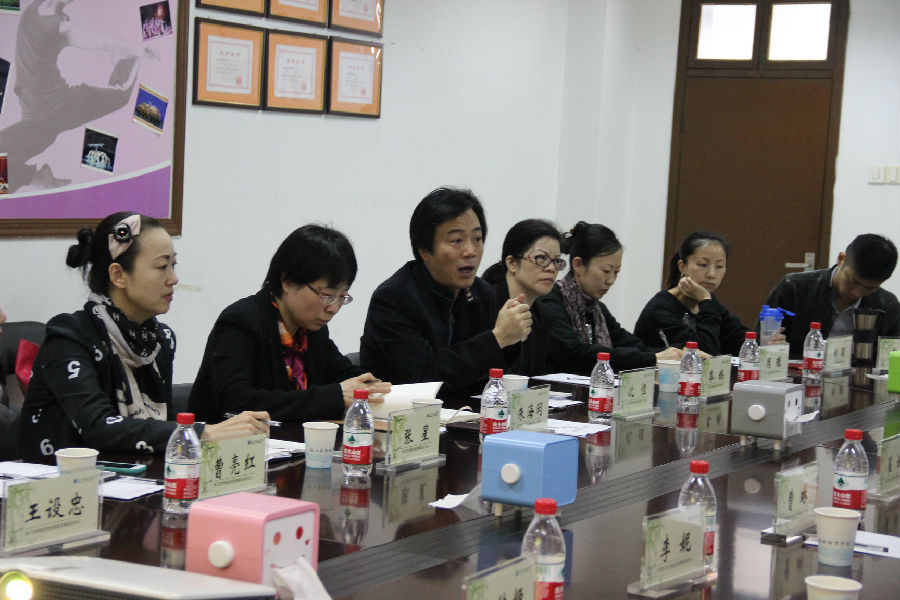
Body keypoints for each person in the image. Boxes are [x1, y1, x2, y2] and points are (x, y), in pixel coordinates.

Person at [19, 213, 266, 460]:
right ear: (118, 275)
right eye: (161, 267)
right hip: (63, 479)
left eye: (174, 265)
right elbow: (98, 427)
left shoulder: (159, 339)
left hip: (136, 476)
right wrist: (203, 433)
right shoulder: (70, 337)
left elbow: (161, 429)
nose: (173, 279)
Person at [189, 224, 390, 423]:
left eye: (342, 297)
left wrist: (374, 386)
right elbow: (237, 401)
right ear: (287, 281)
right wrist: (334, 396)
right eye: (327, 295)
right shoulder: (241, 322)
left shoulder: (311, 329)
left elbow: (342, 373)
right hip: (229, 441)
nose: (333, 308)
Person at [360, 187, 532, 395]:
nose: (470, 251)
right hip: (402, 412)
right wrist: (497, 338)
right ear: (424, 251)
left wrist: (513, 336)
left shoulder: (481, 292)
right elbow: (425, 376)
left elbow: (495, 372)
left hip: (465, 410)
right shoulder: (393, 299)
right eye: (457, 240)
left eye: (477, 239)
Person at [0, 0, 159, 191]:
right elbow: (101, 42)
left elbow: (100, 42)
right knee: (121, 95)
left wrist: (137, 51)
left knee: (121, 95)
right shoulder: (41, 15)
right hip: (41, 115)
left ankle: (37, 178)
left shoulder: (48, 21)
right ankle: (37, 178)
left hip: (54, 108)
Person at [539, 222, 683, 373]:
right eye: (606, 271)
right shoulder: (550, 302)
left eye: (616, 272)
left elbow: (631, 344)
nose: (611, 280)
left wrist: (676, 353)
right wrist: (653, 358)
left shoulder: (597, 309)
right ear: (578, 265)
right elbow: (576, 354)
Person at [634, 231, 775, 355]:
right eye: (702, 264)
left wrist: (768, 343)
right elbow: (701, 356)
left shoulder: (709, 303)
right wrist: (705, 301)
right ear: (682, 267)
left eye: (719, 266)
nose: (711, 274)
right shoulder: (660, 309)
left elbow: (740, 343)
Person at [765, 234, 900, 355]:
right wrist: (774, 346)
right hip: (796, 373)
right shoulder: (793, 288)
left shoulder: (887, 305)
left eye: (869, 288)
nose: (857, 293)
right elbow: (762, 341)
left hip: (857, 375)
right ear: (841, 259)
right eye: (852, 281)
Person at [482, 219, 564, 376]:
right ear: (512, 263)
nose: (552, 268)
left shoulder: (543, 315)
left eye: (557, 261)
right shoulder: (485, 304)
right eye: (542, 258)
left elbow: (535, 380)